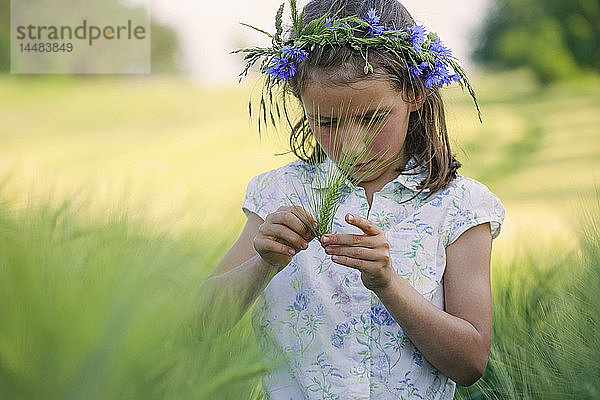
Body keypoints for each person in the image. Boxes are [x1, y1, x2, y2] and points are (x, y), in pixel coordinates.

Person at [199, 0, 506, 398]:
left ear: (414, 93)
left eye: (372, 118)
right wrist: (263, 263)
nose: (350, 143)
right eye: (326, 122)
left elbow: (470, 364)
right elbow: (198, 326)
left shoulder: (459, 206)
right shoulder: (277, 196)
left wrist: (388, 284)